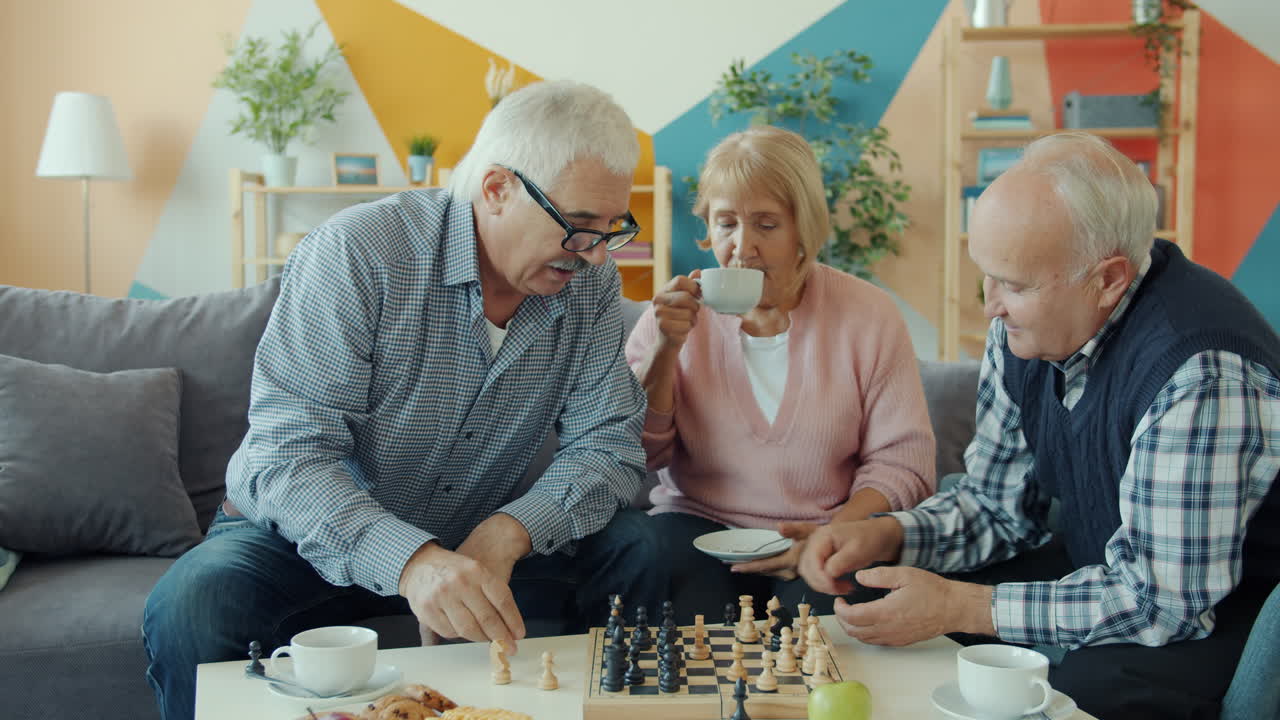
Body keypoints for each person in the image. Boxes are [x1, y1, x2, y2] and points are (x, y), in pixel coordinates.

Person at [142, 80, 666, 720]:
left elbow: (607, 446)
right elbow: (290, 455)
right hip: (305, 542)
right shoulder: (359, 253)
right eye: (578, 228)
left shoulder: (589, 285)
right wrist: (412, 561)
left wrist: (510, 532)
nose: (592, 254)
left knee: (645, 551)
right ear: (498, 189)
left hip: (477, 546)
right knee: (193, 604)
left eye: (611, 229)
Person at [798, 132, 1280, 720]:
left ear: (1107, 279)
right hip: (1107, 567)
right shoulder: (1022, 330)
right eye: (988, 276)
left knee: (1090, 686)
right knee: (881, 584)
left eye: (1016, 285)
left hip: (1225, 606)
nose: (990, 306)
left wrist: (959, 606)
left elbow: (1161, 600)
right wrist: (892, 535)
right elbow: (998, 507)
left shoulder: (1202, 371)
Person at [624, 125, 936, 622]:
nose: (742, 247)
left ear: (803, 231)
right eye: (726, 224)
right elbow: (635, 456)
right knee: (658, 575)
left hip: (823, 530)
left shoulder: (869, 315)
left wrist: (832, 534)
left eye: (766, 225)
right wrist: (665, 350)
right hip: (696, 530)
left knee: (828, 613)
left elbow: (904, 464)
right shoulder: (672, 318)